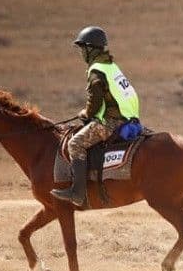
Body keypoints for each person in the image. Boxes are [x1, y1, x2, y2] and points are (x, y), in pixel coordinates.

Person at [51, 26, 140, 207]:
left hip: (111, 123)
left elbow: (95, 102)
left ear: (90, 49)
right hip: (129, 119)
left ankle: (77, 192)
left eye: (83, 48)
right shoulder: (111, 67)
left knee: (75, 144)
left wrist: (85, 113)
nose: (82, 53)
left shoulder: (96, 71)